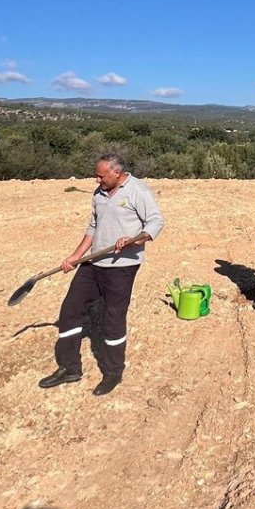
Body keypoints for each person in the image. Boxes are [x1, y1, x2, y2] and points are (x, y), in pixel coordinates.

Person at [40, 154, 164, 396]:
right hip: (94, 262)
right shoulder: (98, 194)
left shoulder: (138, 191)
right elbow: (93, 227)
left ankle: (113, 372)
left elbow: (155, 223)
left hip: (122, 266)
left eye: (101, 175)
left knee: (112, 319)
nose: (96, 180)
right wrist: (76, 256)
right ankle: (70, 368)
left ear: (116, 173)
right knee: (69, 310)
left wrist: (132, 241)